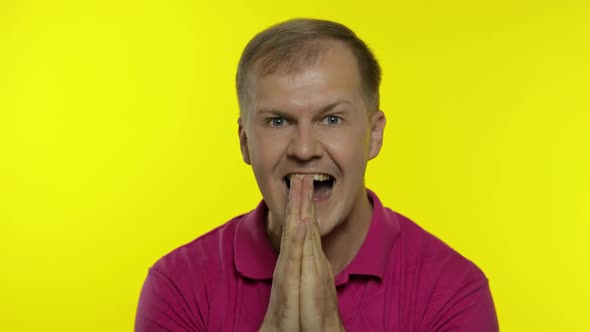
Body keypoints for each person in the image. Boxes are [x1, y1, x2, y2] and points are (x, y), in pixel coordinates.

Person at [135, 18, 499, 331]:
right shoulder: (178, 287)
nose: (305, 149)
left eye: (331, 119)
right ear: (245, 142)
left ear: (374, 134)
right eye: (278, 121)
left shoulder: (453, 292)